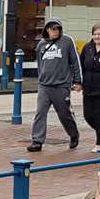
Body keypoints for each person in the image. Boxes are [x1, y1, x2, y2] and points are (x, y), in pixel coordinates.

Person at [27, 19, 81, 152]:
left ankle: (73, 134)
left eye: (57, 29)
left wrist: (78, 81)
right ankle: (37, 141)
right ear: (47, 30)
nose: (55, 31)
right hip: (44, 85)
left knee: (64, 114)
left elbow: (75, 61)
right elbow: (40, 64)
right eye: (52, 29)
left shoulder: (67, 41)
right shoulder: (41, 44)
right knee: (40, 112)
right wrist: (41, 78)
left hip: (61, 85)